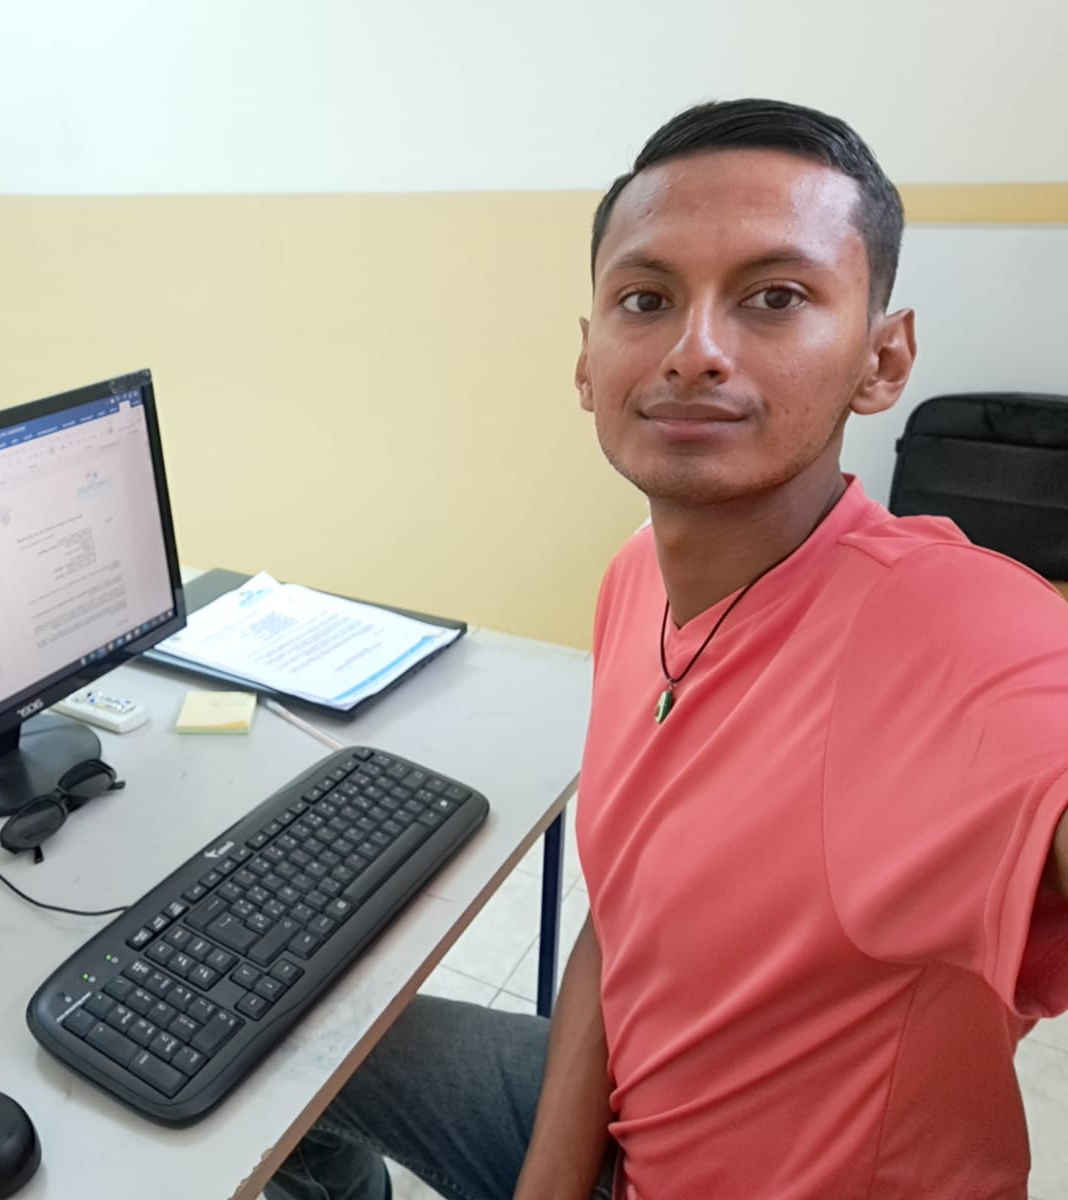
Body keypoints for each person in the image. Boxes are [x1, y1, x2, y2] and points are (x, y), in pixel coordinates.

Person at [266, 97, 1068, 1200]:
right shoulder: (636, 575)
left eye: (774, 298)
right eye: (647, 300)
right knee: (276, 1035)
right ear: (587, 362)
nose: (695, 353)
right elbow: (621, 921)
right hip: (627, 1128)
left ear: (882, 360)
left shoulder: (956, 631)